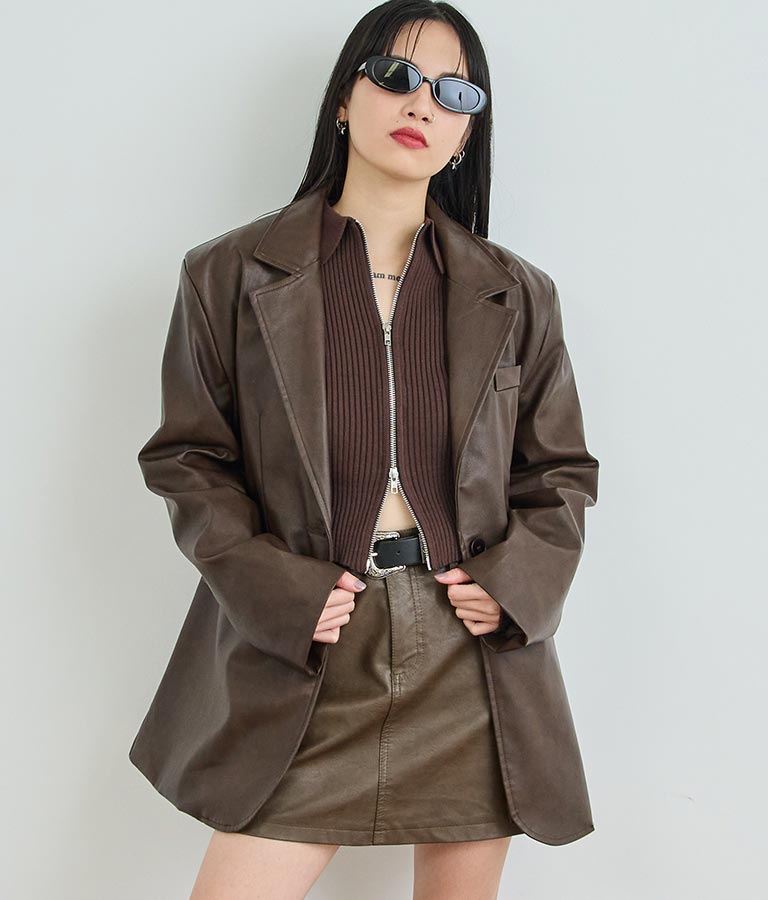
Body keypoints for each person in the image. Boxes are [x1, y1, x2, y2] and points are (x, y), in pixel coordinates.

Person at [129, 2, 600, 898]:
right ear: (343, 100)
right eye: (395, 76)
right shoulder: (228, 275)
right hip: (308, 646)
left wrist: (516, 585)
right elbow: (188, 460)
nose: (422, 104)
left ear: (466, 135)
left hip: (471, 656)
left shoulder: (516, 292)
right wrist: (277, 590)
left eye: (454, 92)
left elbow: (560, 471)